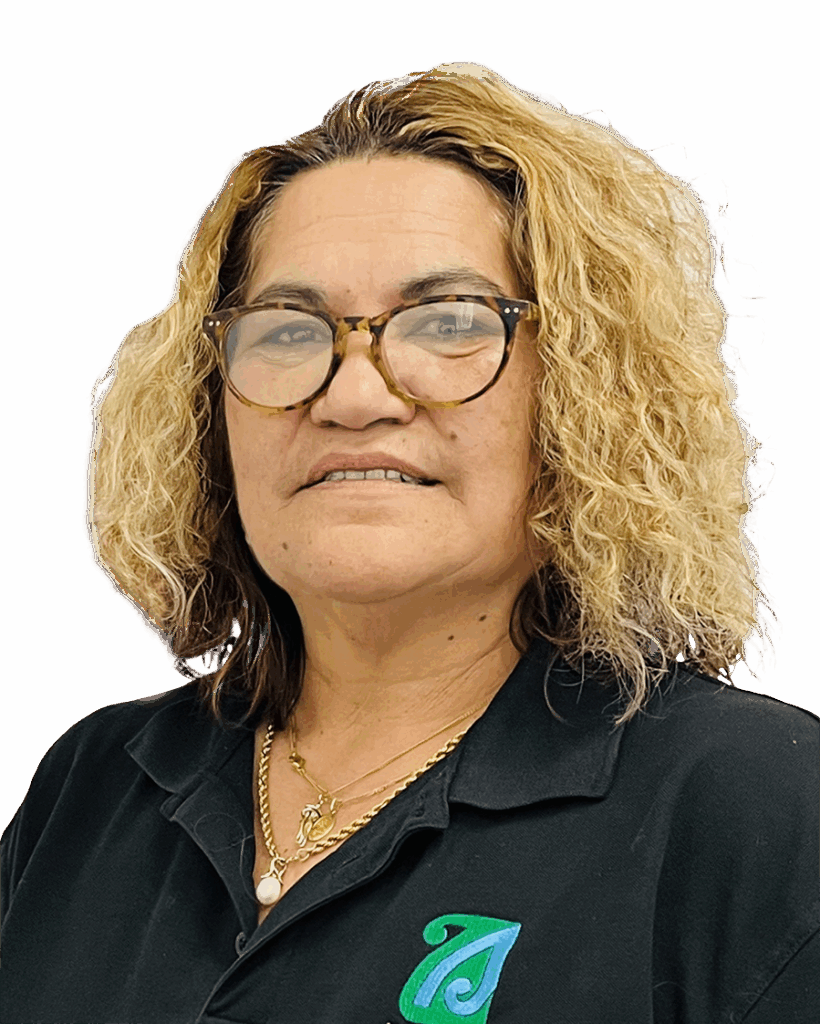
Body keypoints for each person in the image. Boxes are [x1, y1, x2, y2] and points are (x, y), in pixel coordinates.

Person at [1, 61, 817, 1024]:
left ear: (589, 396)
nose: (353, 396)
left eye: (448, 322)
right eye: (287, 332)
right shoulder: (93, 785)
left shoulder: (759, 807)